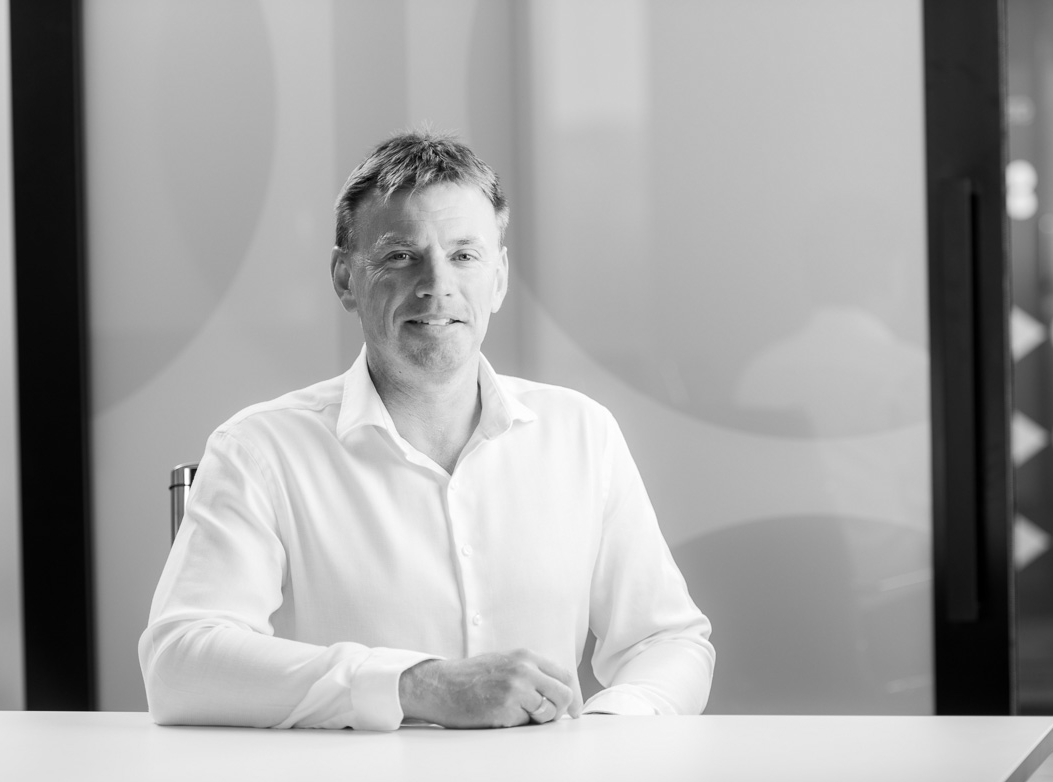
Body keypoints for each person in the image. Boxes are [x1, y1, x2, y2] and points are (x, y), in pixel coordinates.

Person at [139, 129, 714, 731]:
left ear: (498, 278)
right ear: (344, 278)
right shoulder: (261, 450)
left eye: (464, 256)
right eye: (399, 256)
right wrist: (417, 685)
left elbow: (666, 640)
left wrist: (611, 728)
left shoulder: (582, 434)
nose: (437, 284)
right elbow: (179, 665)